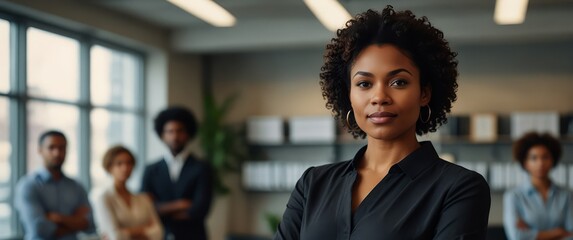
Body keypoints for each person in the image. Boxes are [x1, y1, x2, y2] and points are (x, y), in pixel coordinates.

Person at [275, 6, 491, 239]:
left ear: (424, 93)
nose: (379, 97)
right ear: (348, 94)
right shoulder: (313, 184)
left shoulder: (458, 188)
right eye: (364, 84)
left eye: (398, 82)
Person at [141, 106, 213, 240]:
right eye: (170, 131)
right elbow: (145, 207)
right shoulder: (151, 169)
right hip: (160, 235)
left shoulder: (202, 168)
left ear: (188, 134)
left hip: (193, 235)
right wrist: (180, 205)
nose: (175, 136)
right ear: (162, 135)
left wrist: (161, 210)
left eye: (179, 131)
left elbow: (200, 209)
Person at [15, 130, 95, 240]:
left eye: (62, 148)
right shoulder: (28, 186)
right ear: (40, 150)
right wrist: (75, 222)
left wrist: (59, 218)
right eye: (51, 148)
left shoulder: (76, 186)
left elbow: (90, 224)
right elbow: (39, 229)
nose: (57, 153)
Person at [503, 132, 573, 240]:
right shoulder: (513, 196)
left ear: (553, 160)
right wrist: (559, 232)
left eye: (545, 157)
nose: (540, 163)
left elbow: (571, 234)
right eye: (534, 158)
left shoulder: (567, 195)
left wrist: (532, 234)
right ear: (525, 163)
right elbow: (517, 236)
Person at [92, 145, 163, 240]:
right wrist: (144, 229)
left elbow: (158, 233)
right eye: (119, 164)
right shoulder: (103, 198)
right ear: (109, 167)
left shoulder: (143, 198)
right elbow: (115, 236)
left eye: (129, 163)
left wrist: (125, 231)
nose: (125, 168)